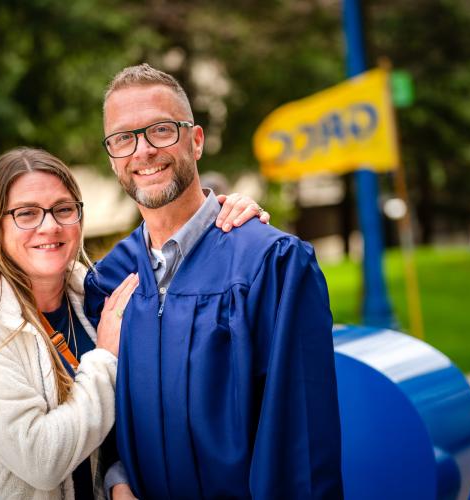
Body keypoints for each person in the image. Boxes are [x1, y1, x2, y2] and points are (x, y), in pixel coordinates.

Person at [0, 147, 266, 499]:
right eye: (26, 213)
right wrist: (104, 357)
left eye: (63, 209)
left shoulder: (93, 292)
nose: (50, 226)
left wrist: (226, 221)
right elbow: (42, 459)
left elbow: (117, 418)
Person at [86, 64, 343, 499]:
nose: (143, 150)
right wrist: (117, 480)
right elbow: (98, 408)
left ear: (196, 140)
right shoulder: (109, 280)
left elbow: (299, 440)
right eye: (123, 138)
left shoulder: (271, 265)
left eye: (161, 130)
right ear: (113, 157)